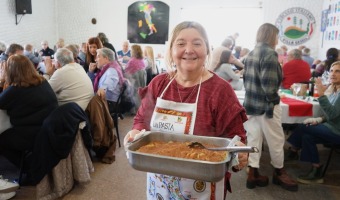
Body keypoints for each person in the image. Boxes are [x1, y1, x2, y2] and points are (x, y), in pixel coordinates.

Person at [124, 21, 248, 199]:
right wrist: (135, 131)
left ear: (206, 49)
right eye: (181, 43)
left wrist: (239, 156)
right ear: (171, 50)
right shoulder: (159, 83)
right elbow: (142, 120)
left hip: (202, 188)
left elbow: (235, 140)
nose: (189, 50)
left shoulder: (220, 91)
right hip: (159, 185)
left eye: (197, 43)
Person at [243, 23, 298, 192]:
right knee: (275, 141)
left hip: (250, 105)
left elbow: (246, 81)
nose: (277, 39)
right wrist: (275, 100)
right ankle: (279, 172)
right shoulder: (270, 55)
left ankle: (253, 173)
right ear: (272, 36)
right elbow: (269, 87)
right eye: (276, 35)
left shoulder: (251, 53)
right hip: (267, 107)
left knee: (253, 139)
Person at [0, 55, 58, 186]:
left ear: (11, 71)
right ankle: (32, 164)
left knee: (2, 139)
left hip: (32, 134)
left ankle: (30, 168)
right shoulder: (42, 81)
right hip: (47, 129)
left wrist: (2, 77)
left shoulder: (15, 90)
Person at [285, 61, 340, 184]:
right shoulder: (335, 90)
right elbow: (330, 115)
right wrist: (319, 119)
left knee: (304, 126)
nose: (333, 74)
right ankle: (317, 169)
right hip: (331, 127)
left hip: (337, 131)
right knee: (307, 136)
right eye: (331, 71)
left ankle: (293, 150)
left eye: (338, 71)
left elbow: (331, 114)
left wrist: (321, 94)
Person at [87, 47, 125, 113]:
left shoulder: (112, 69)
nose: (95, 60)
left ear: (106, 58)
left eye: (98, 57)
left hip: (109, 102)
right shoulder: (105, 69)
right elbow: (92, 83)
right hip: (105, 100)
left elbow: (109, 82)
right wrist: (90, 72)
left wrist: (102, 88)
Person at [124, 44, 146, 113]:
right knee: (139, 92)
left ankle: (135, 110)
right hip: (142, 77)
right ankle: (140, 108)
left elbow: (126, 70)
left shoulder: (132, 60)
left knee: (133, 92)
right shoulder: (141, 59)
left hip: (135, 78)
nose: (130, 52)